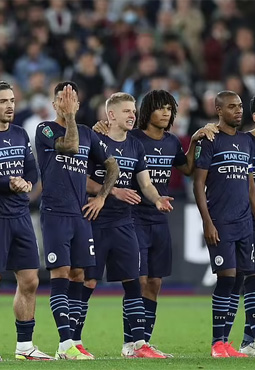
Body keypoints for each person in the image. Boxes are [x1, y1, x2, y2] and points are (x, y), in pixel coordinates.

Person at [91, 90, 217, 357]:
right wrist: (99, 127)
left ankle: (143, 341)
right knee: (138, 279)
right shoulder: (133, 137)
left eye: (170, 109)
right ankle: (132, 342)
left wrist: (193, 141)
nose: (166, 113)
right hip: (132, 217)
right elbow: (106, 141)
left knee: (155, 283)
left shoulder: (171, 143)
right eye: (161, 108)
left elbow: (187, 168)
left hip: (158, 218)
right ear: (147, 111)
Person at [0, 81, 52, 361]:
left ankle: (24, 346)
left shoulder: (19, 134)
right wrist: (8, 183)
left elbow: (32, 169)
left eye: (13, 100)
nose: (10, 106)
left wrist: (26, 182)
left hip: (21, 216)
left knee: (30, 280)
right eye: (3, 101)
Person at [82, 92, 173, 359]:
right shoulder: (95, 140)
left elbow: (145, 184)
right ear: (111, 115)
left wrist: (157, 199)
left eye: (133, 111)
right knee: (88, 283)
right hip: (96, 222)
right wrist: (114, 191)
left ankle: (136, 344)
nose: (133, 115)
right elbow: (84, 180)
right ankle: (71, 342)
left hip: (124, 223)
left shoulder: (135, 146)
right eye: (127, 111)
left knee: (134, 283)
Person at [35, 81, 119, 360]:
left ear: (79, 104)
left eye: (71, 99)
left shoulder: (87, 133)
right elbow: (69, 147)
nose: (66, 102)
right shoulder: (45, 130)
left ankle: (74, 340)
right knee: (60, 273)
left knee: (80, 276)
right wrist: (70, 117)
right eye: (61, 98)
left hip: (80, 213)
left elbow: (112, 166)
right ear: (54, 104)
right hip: (55, 212)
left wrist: (102, 197)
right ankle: (64, 344)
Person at [192, 90, 255, 358]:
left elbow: (251, 187)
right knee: (226, 280)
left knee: (240, 282)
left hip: (244, 224)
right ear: (218, 110)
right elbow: (198, 184)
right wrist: (207, 222)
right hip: (221, 222)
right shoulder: (209, 140)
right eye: (232, 107)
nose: (239, 111)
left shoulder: (247, 142)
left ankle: (226, 342)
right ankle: (217, 343)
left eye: (240, 106)